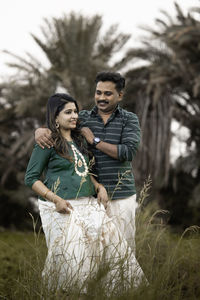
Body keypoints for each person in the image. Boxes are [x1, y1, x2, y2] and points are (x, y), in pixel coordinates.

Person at [25, 93, 145, 292]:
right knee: (73, 261)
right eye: (68, 112)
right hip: (65, 208)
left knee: (108, 255)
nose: (74, 116)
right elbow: (31, 178)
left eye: (75, 112)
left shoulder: (79, 141)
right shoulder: (47, 142)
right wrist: (55, 199)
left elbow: (83, 171)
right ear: (55, 116)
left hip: (89, 205)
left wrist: (99, 186)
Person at [35, 72, 140, 252]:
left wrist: (95, 141)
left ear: (120, 95)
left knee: (123, 253)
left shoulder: (129, 119)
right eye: (98, 92)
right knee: (93, 255)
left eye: (108, 93)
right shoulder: (83, 117)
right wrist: (39, 131)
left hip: (121, 196)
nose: (101, 97)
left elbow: (128, 152)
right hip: (91, 200)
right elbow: (60, 125)